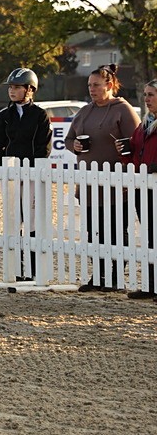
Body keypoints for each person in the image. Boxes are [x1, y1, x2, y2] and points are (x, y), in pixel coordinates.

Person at [68, 64, 141, 291]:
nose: (92, 89)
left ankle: (116, 276)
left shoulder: (123, 109)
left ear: (109, 85)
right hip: (89, 186)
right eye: (90, 85)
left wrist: (125, 147)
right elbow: (69, 140)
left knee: (117, 232)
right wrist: (75, 146)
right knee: (92, 233)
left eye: (96, 85)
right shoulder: (85, 110)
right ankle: (99, 275)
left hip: (117, 187)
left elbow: (137, 141)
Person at [0, 68, 52, 281]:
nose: (12, 91)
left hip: (33, 175)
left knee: (32, 223)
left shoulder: (40, 115)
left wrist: (33, 170)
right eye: (11, 88)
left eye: (17, 87)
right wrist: (1, 169)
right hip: (11, 176)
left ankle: (33, 270)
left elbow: (44, 146)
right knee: (14, 221)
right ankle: (17, 269)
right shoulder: (4, 116)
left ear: (29, 89)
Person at [120, 79, 157, 300]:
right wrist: (125, 150)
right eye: (145, 94)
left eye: (151, 94)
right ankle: (151, 284)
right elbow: (135, 151)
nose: (146, 99)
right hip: (142, 187)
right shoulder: (143, 125)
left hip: (154, 184)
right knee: (149, 236)